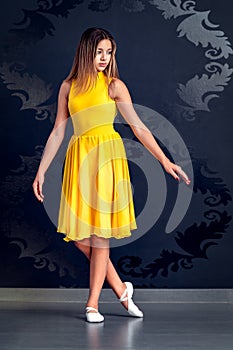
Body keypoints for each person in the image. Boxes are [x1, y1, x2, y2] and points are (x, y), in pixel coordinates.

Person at [32, 27, 191, 323]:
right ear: (85, 52)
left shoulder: (114, 86)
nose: (104, 58)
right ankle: (120, 288)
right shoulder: (69, 86)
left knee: (100, 234)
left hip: (107, 159)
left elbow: (140, 128)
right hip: (79, 160)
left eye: (109, 52)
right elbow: (58, 131)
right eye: (99, 52)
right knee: (79, 235)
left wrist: (165, 161)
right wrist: (41, 171)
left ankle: (92, 304)